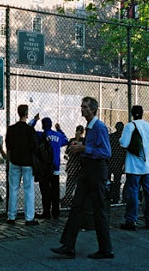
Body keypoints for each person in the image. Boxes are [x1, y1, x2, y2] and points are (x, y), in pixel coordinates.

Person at [51, 97, 113, 259]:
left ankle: (106, 249)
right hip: (88, 169)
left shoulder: (98, 127)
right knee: (77, 206)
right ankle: (68, 245)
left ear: (93, 109)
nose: (82, 109)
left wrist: (85, 148)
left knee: (98, 209)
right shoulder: (91, 127)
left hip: (96, 170)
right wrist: (82, 148)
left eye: (85, 107)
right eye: (82, 106)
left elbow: (106, 152)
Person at [119, 105, 149, 230]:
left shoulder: (130, 126)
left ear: (131, 113)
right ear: (142, 113)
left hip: (133, 165)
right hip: (148, 166)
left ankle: (131, 220)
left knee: (133, 193)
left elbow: (124, 143)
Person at [5, 104, 39, 226]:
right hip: (28, 162)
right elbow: (35, 146)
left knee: (13, 189)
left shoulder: (11, 129)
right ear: (26, 114)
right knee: (28, 190)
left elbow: (8, 146)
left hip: (14, 161)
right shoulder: (30, 130)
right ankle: (29, 218)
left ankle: (11, 216)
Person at [30, 116, 68, 219]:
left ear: (43, 125)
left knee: (45, 190)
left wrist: (34, 120)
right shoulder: (58, 135)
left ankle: (46, 212)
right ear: (51, 125)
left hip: (44, 167)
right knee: (55, 191)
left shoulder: (40, 135)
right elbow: (66, 140)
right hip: (55, 167)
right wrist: (59, 129)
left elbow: (29, 130)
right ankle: (56, 212)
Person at [61, 125, 85, 207]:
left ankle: (68, 198)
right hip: (80, 165)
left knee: (70, 184)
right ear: (83, 132)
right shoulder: (84, 141)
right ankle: (75, 200)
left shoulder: (72, 140)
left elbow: (67, 152)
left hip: (72, 164)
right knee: (79, 185)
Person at [108, 122, 125, 204]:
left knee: (108, 180)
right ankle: (116, 197)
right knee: (117, 180)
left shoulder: (110, 137)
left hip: (110, 161)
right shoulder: (123, 138)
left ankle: (108, 195)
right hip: (119, 162)